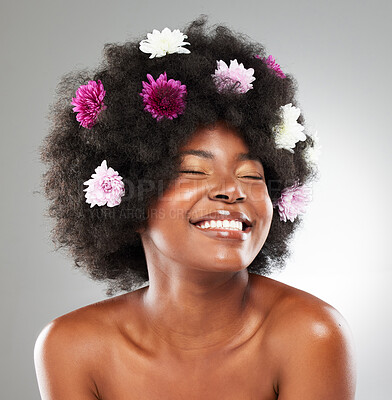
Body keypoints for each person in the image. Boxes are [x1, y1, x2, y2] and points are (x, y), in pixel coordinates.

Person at [34, 16, 356, 399]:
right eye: (193, 170)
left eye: (252, 175)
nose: (231, 190)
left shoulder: (310, 334)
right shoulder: (72, 347)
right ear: (130, 198)